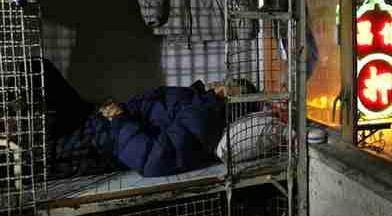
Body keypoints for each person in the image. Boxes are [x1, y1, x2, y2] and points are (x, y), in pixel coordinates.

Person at [36, 58, 257, 178]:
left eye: (228, 86)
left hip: (98, 142)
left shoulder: (206, 116)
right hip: (97, 119)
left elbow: (155, 159)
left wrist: (119, 119)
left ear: (229, 99)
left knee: (34, 153)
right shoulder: (199, 101)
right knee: (39, 68)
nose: (219, 83)